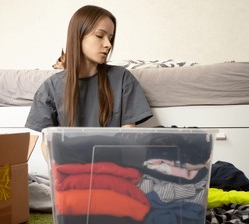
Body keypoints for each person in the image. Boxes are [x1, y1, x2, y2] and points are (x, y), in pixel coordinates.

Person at [25, 5, 153, 158]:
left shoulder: (122, 79)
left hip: (113, 172)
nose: (108, 44)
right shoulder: (50, 88)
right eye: (100, 36)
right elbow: (47, 142)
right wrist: (61, 176)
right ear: (78, 36)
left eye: (110, 38)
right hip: (69, 174)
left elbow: (130, 137)